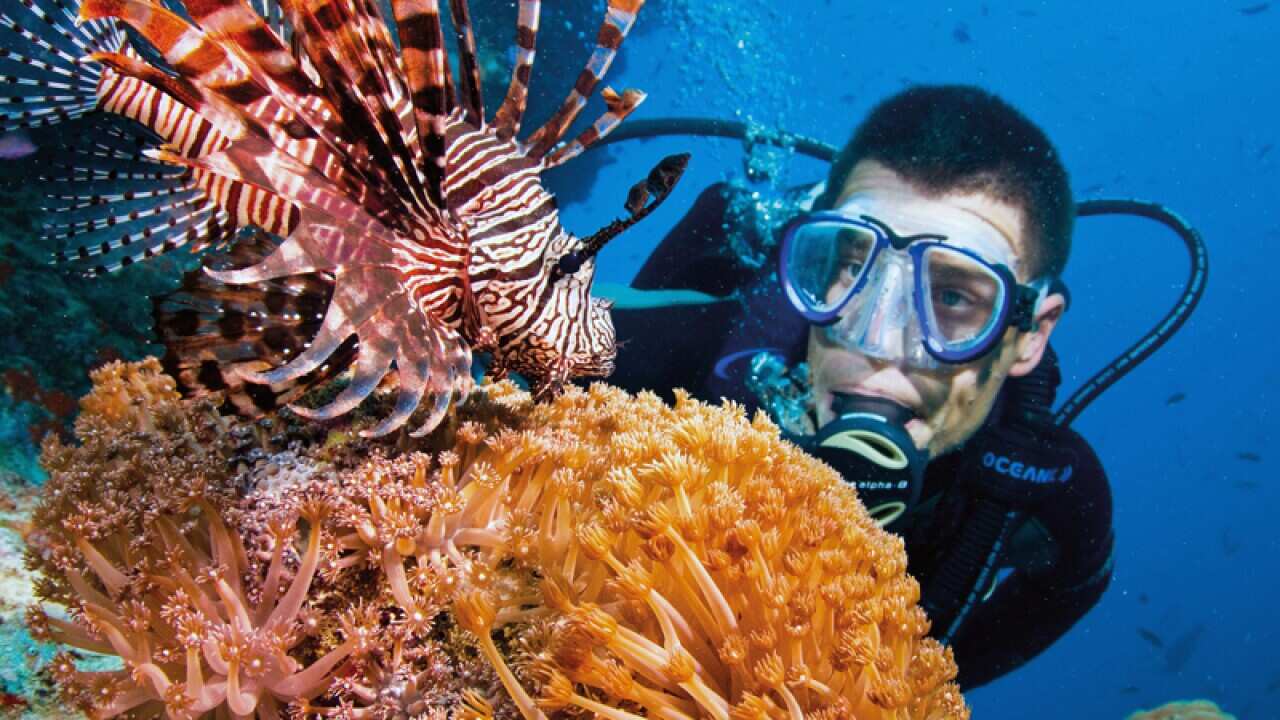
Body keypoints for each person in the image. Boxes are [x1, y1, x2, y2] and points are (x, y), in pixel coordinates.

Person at [603, 84, 1115, 690]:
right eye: (853, 267)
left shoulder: (1043, 487)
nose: (878, 343)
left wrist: (909, 685)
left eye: (952, 296)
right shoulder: (700, 356)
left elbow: (1070, 588)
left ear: (1030, 333)